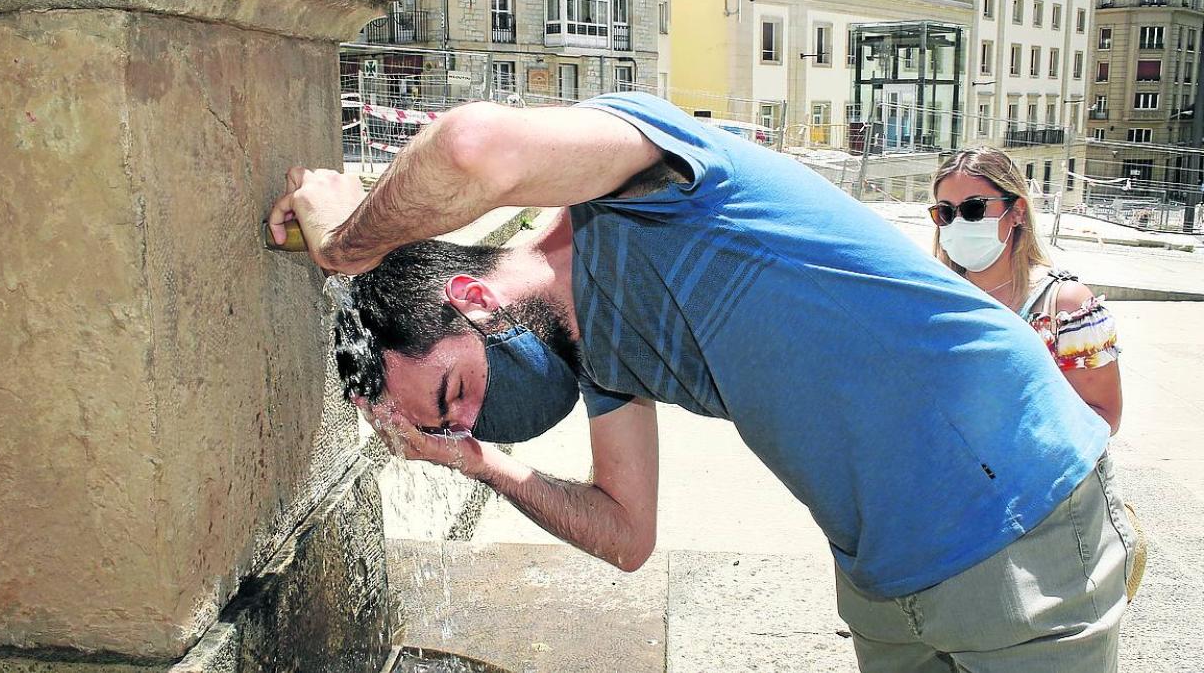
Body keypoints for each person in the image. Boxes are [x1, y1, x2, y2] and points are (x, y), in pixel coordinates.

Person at [270, 92, 1134, 672]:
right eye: (449, 424)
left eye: (453, 397)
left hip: (1014, 510)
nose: (468, 420)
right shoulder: (600, 355)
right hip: (886, 573)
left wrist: (350, 240)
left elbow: (472, 147)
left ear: (470, 298)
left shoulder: (644, 185)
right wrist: (473, 461)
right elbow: (626, 536)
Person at [929, 147, 1122, 434]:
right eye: (945, 212)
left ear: (1016, 212)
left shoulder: (1066, 307)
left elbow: (1104, 418)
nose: (957, 223)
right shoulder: (935, 300)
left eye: (974, 209)